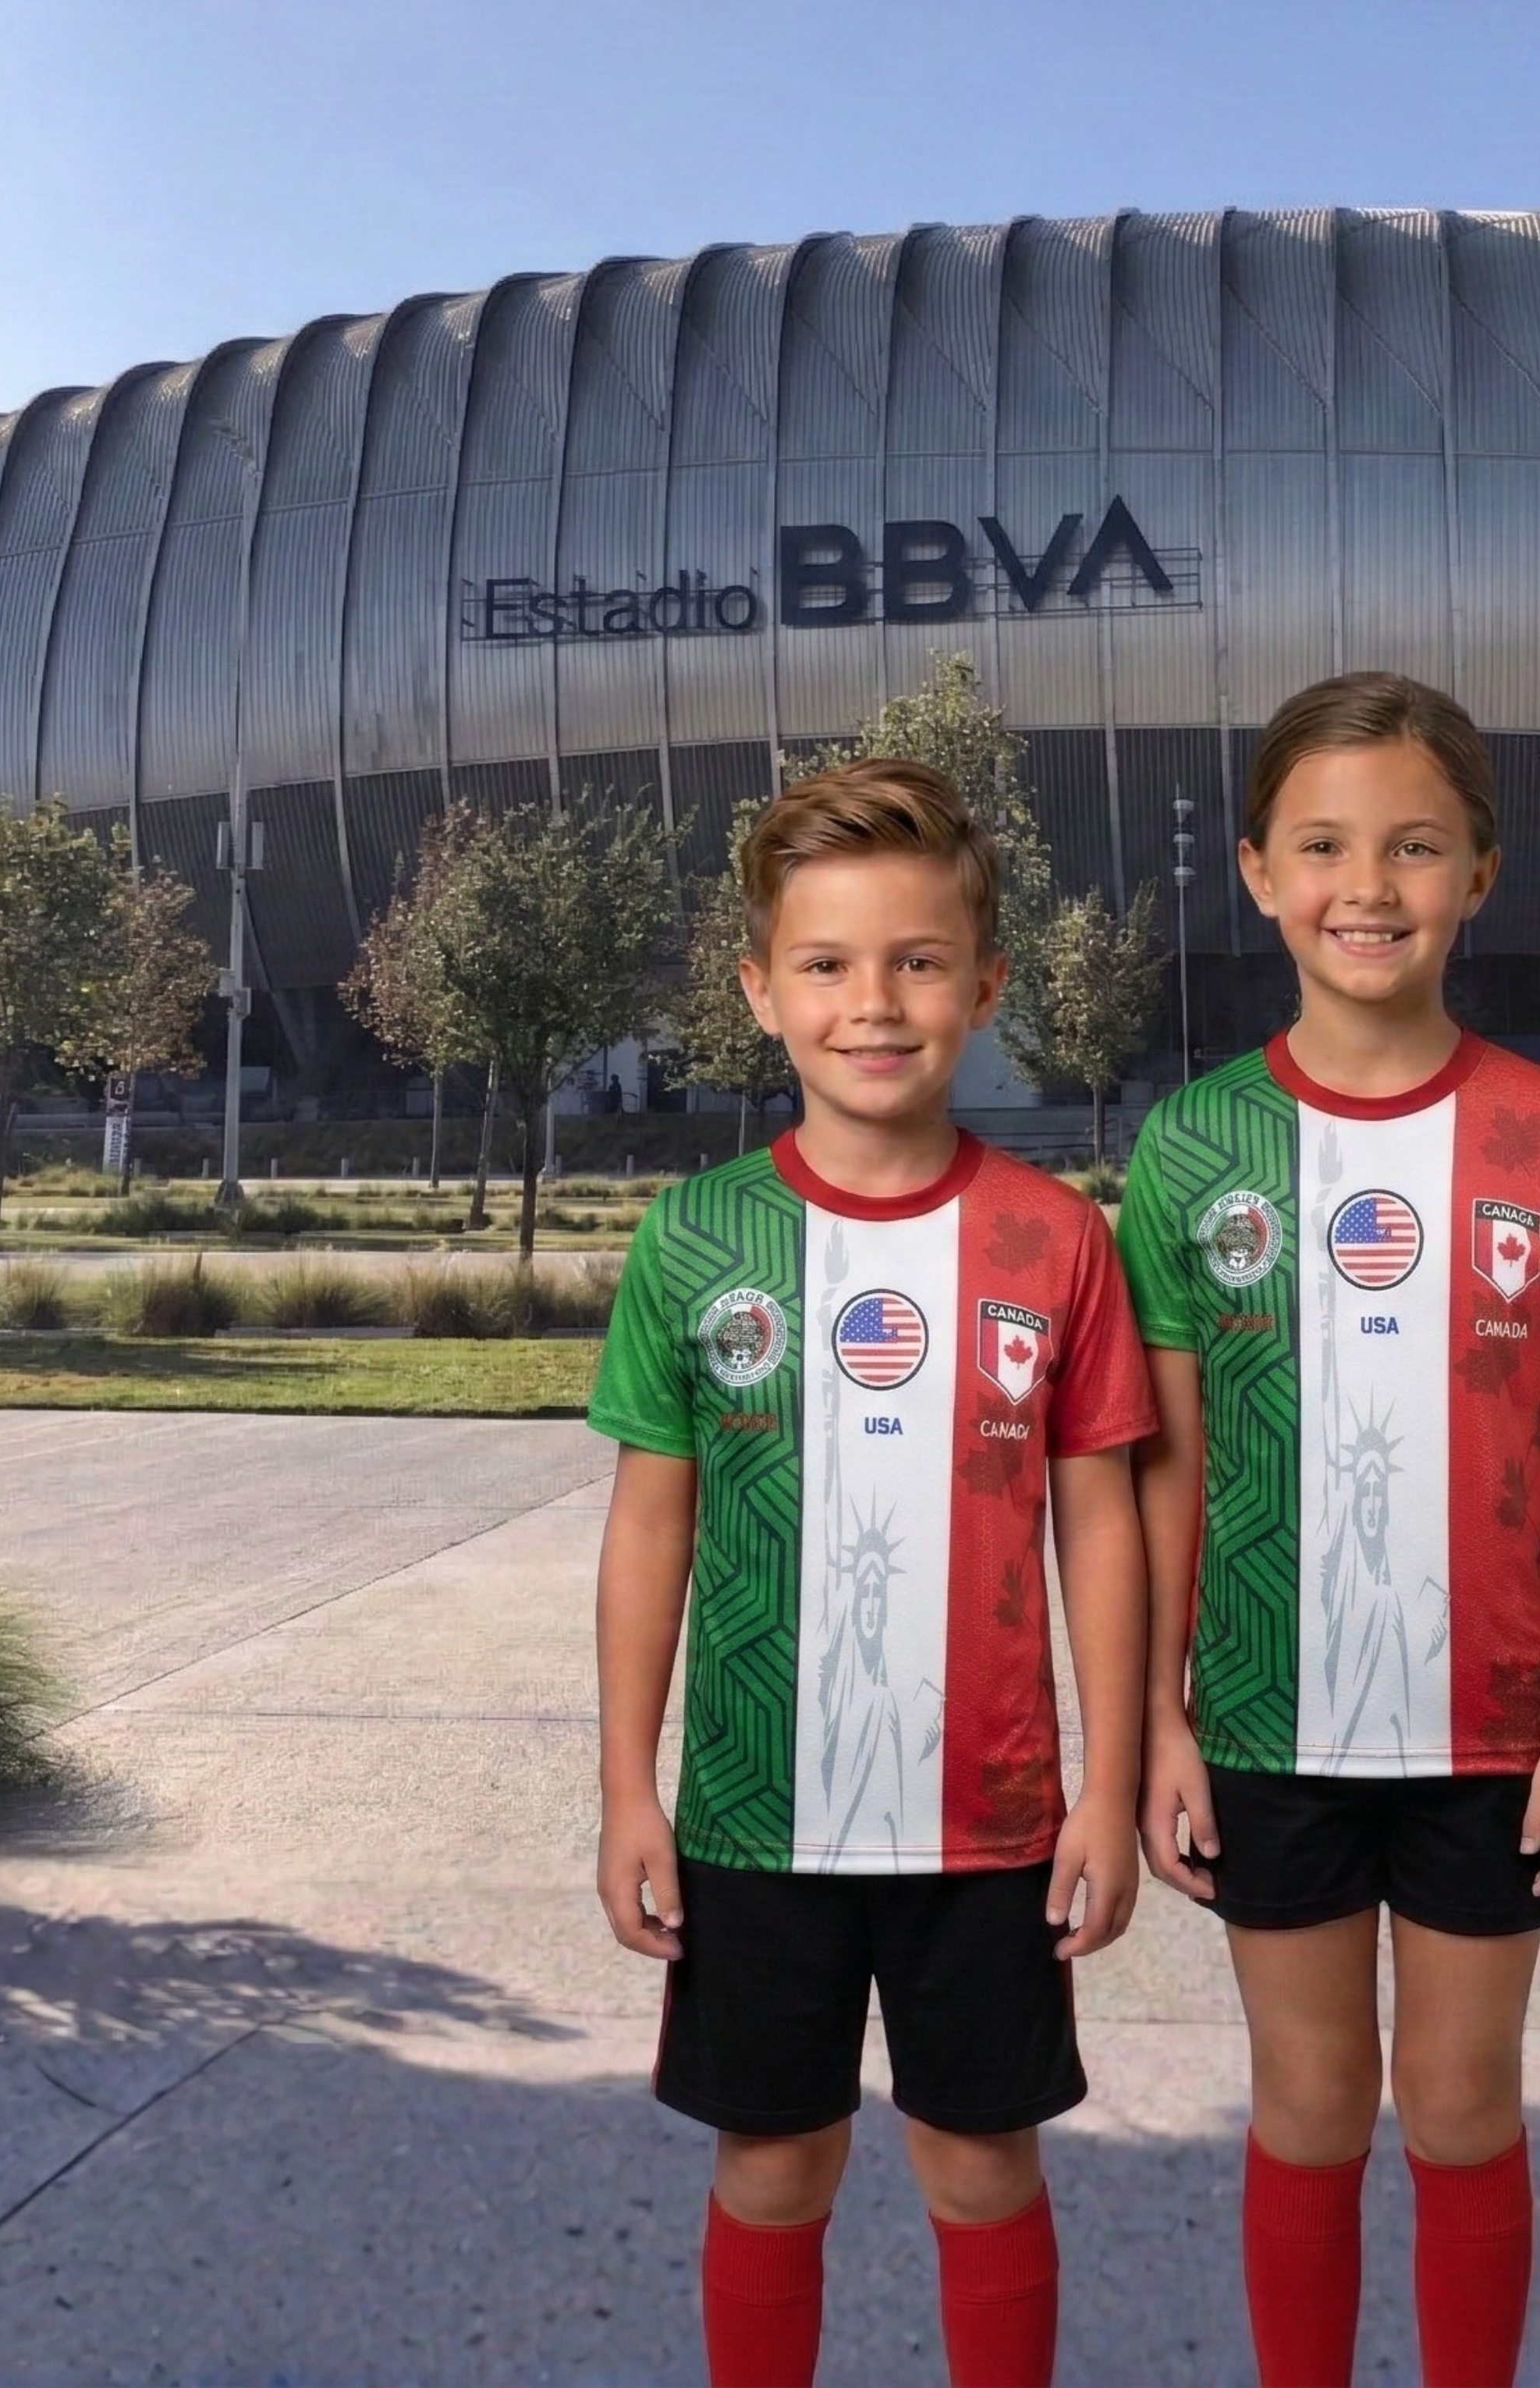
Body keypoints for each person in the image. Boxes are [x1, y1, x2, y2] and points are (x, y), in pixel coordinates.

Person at [1119, 673, 1540, 2388]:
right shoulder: (1195, 1142)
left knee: (1457, 2100)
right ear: (1261, 872)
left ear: (1481, 871)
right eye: (1328, 844)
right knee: (1306, 2100)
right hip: (1266, 1727)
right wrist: (1149, 1721)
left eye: (1415, 845)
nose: (1371, 883)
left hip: (1493, 1728)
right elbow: (1164, 1468)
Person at [590, 756, 1154, 2388]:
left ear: (981, 987)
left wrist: (1106, 1793)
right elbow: (650, 1527)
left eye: (917, 961)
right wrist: (631, 1787)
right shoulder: (695, 1239)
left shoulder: (1058, 1241)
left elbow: (1097, 1525)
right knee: (774, 2167)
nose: (874, 1002)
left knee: (983, 2167)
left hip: (989, 1823)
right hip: (755, 1821)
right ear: (762, 991)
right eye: (828, 964)